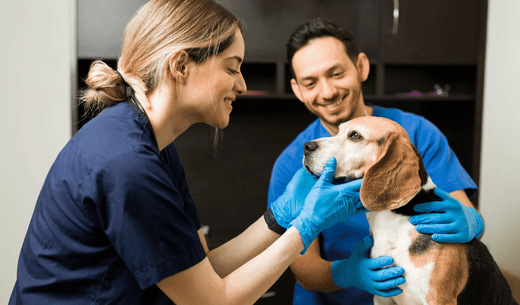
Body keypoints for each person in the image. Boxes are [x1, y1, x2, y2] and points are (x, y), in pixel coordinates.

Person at [9, 3, 369, 305]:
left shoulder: (154, 147)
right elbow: (212, 300)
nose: (242, 85)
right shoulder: (128, 164)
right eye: (231, 67)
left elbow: (206, 266)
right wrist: (305, 226)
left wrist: (280, 216)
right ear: (180, 66)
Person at [267, 18, 483, 305]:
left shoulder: (416, 134)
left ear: (361, 67)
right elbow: (301, 266)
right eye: (310, 82)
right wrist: (344, 273)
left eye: (336, 73)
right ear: (297, 90)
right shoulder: (293, 162)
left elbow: (459, 215)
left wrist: (471, 221)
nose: (328, 91)